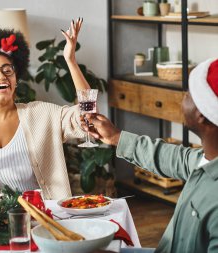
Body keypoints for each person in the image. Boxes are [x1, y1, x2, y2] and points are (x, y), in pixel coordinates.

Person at [86, 58, 218, 253]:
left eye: (189, 94)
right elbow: (171, 156)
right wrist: (115, 137)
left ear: (202, 114)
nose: (184, 97)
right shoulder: (206, 160)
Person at [0, 18, 91, 200]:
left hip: (42, 215)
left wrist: (70, 60)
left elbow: (87, 113)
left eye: (7, 70)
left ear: (15, 79)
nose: (1, 76)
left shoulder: (42, 113)